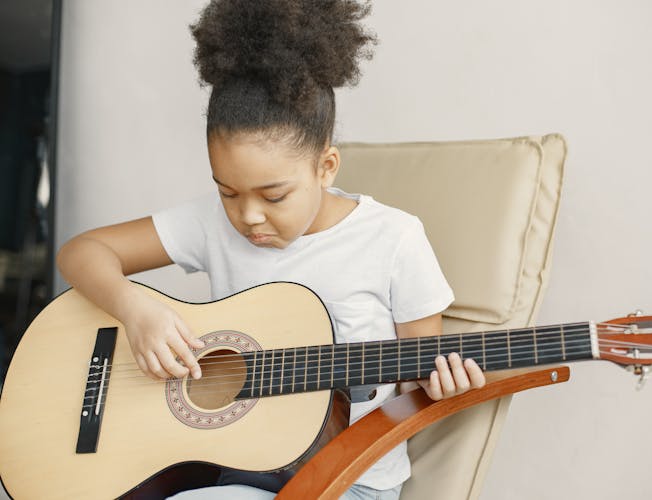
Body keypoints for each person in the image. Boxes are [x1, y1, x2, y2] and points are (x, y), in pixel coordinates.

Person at [56, 1, 486, 498]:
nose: (249, 216)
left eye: (274, 196)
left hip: (344, 482)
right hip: (231, 466)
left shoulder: (394, 240)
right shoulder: (213, 223)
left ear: (326, 167)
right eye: (228, 191)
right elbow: (83, 252)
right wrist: (135, 310)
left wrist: (434, 391)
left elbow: (411, 386)